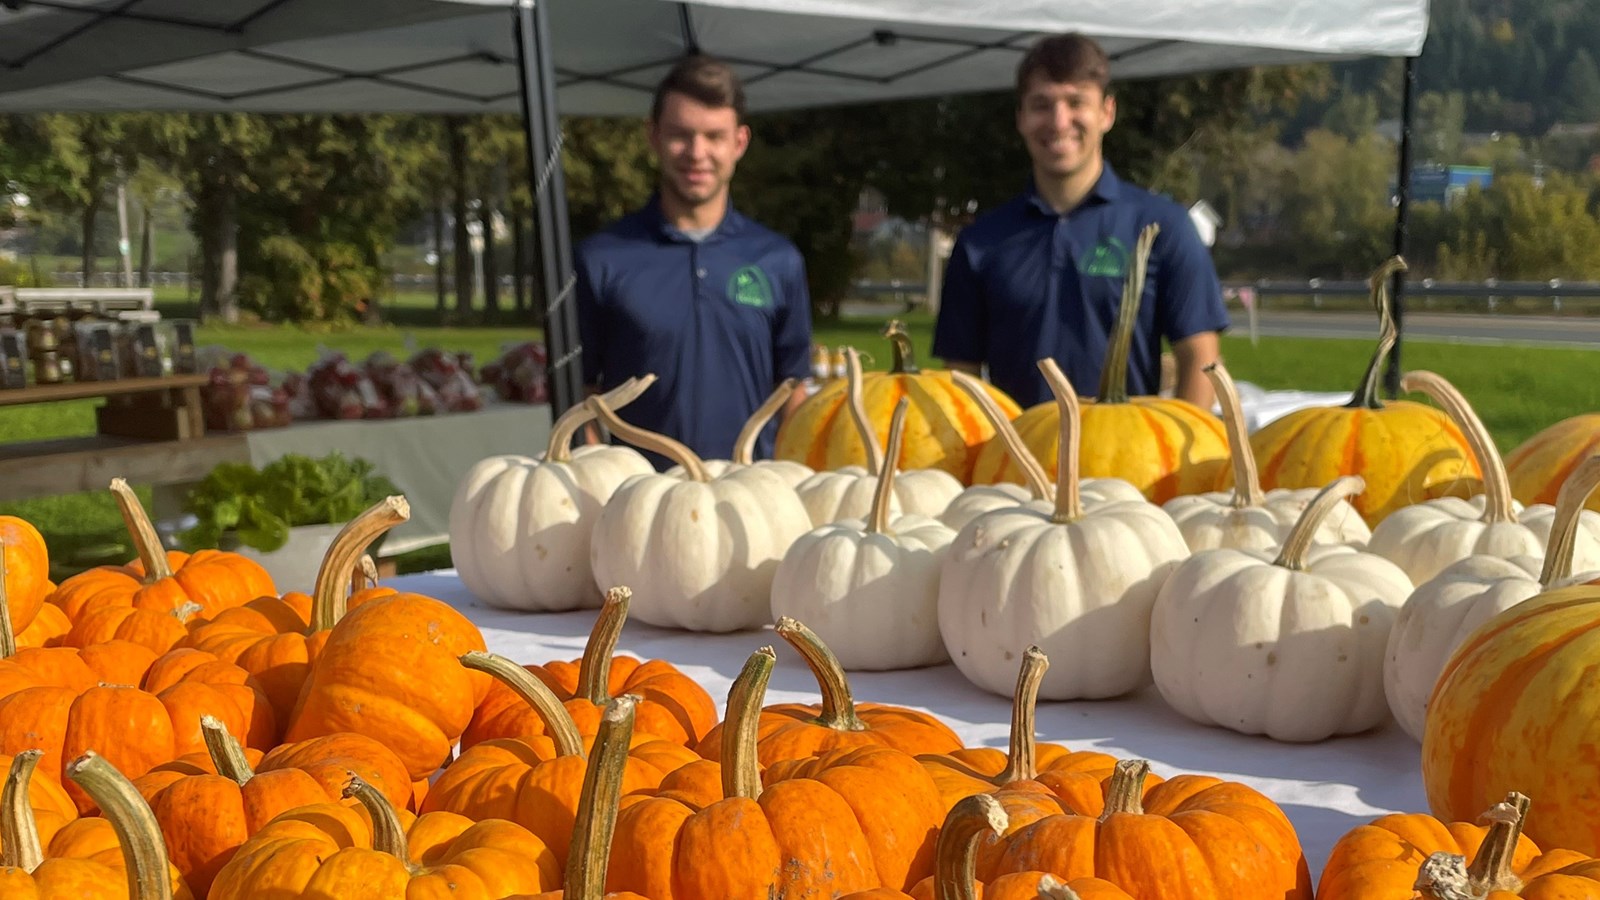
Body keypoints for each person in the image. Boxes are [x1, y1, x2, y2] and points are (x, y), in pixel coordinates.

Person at [931, 33, 1229, 410]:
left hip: (1132, 462)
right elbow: (961, 377)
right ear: (1021, 117)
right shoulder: (980, 243)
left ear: (1107, 112)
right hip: (1015, 463)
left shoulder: (1161, 227)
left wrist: (1185, 458)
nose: (1059, 121)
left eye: (1076, 102)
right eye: (1041, 104)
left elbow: (1200, 356)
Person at [575, 55, 814, 469]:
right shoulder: (601, 258)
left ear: (739, 142)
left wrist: (786, 479)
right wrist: (601, 479)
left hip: (752, 503)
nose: (697, 153)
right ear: (653, 136)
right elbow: (578, 394)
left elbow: (792, 390)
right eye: (680, 135)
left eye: (713, 136)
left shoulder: (778, 259)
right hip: (635, 506)